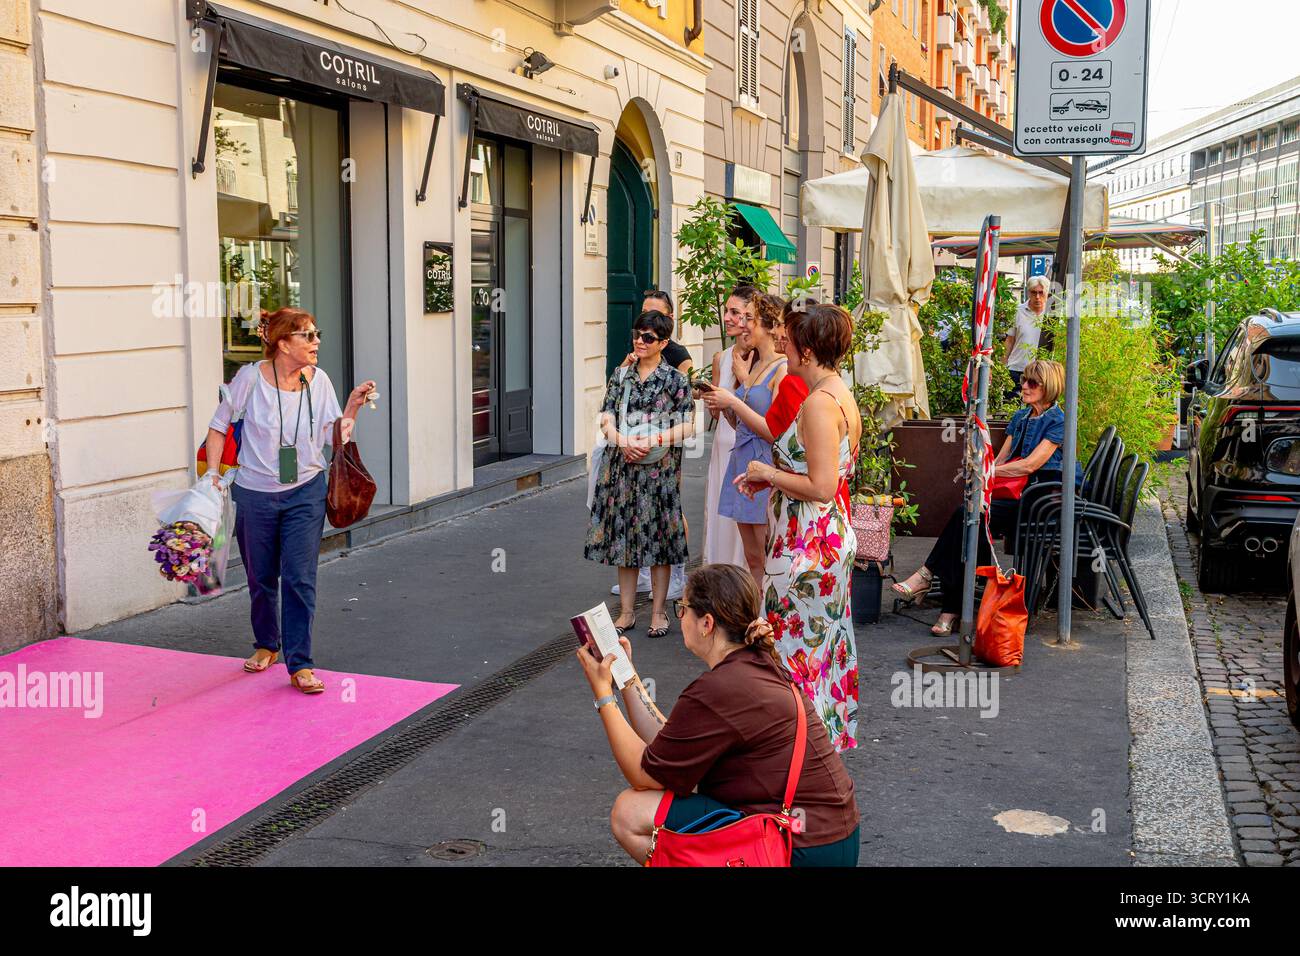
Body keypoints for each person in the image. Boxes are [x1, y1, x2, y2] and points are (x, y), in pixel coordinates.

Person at [574, 563, 861, 866]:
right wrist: (627, 677)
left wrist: (604, 696)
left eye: (682, 608)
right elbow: (668, 750)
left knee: (629, 812)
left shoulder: (721, 688)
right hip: (827, 837)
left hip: (801, 845)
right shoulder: (753, 664)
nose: (680, 616)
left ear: (707, 623)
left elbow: (645, 773)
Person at [205, 308, 376, 694]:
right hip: (254, 493)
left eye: (317, 334)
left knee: (300, 578)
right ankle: (267, 644)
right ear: (283, 344)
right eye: (308, 336)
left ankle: (300, 663)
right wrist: (213, 475)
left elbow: (338, 435)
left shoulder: (320, 382)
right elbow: (218, 428)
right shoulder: (250, 379)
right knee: (261, 577)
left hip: (306, 492)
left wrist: (351, 406)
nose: (317, 343)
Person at [734, 303, 861, 753]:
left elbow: (822, 485)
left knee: (788, 650)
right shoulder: (836, 392)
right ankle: (811, 746)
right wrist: (766, 479)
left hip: (808, 546)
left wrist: (768, 475)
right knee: (817, 650)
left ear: (806, 351)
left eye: (788, 338)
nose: (781, 343)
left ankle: (793, 750)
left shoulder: (821, 404)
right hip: (818, 537)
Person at [892, 358, 1082, 636]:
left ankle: (935, 584)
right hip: (1019, 495)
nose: (1024, 386)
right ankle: (951, 606)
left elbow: (1030, 465)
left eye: (1032, 382)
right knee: (971, 520)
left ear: (1049, 387)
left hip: (1042, 502)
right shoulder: (1020, 418)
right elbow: (1002, 457)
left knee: (968, 518)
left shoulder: (1059, 421)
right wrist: (981, 468)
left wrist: (990, 472)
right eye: (1023, 381)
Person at [586, 310, 696, 639]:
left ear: (663, 343)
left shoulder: (675, 380)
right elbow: (605, 416)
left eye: (648, 337)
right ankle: (627, 612)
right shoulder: (621, 376)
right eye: (638, 334)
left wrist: (654, 439)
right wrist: (621, 442)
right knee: (626, 540)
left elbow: (689, 425)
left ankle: (659, 612)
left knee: (660, 540)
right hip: (623, 468)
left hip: (659, 471)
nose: (640, 340)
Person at [613, 289, 692, 600]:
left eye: (654, 317)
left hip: (662, 448)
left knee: (666, 512)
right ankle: (640, 575)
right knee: (633, 513)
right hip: (630, 450)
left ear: (667, 324)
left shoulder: (679, 357)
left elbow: (682, 410)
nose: (642, 336)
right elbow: (616, 390)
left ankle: (677, 571)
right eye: (640, 328)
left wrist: (655, 436)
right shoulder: (636, 354)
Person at [707, 287, 787, 588]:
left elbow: (774, 430)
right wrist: (725, 406)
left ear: (768, 326)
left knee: (767, 555)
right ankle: (755, 620)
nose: (743, 324)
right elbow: (741, 420)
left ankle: (768, 621)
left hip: (763, 465)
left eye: (750, 319)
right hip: (741, 462)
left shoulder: (781, 370)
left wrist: (734, 402)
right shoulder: (754, 366)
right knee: (753, 559)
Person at [702, 294, 752, 568]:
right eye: (726, 311)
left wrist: (743, 379)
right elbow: (717, 411)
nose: (727, 318)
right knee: (720, 520)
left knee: (742, 524)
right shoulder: (720, 357)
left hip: (746, 443)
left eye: (735, 312)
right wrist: (712, 401)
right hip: (722, 443)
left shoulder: (764, 358)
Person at [1004, 275, 1050, 389]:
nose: (1038, 297)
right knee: (1012, 405)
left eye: (1041, 292)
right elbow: (1009, 341)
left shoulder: (1052, 315)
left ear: (1047, 293)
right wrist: (1001, 368)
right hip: (1017, 370)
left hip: (1043, 373)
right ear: (1028, 293)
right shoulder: (1018, 311)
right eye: (1034, 292)